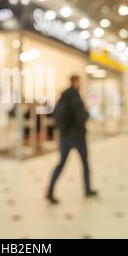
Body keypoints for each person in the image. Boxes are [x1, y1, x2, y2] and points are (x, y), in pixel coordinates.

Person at [46, 75, 97, 204]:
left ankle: (50, 190)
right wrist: (87, 112)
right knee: (85, 164)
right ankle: (87, 189)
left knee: (61, 164)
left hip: (64, 137)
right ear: (76, 82)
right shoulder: (76, 98)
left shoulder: (63, 97)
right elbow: (81, 118)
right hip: (78, 137)